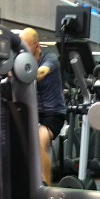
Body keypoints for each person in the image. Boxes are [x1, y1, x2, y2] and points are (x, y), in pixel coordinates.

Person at [19, 27, 66, 186]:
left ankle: (45, 187)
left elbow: (41, 72)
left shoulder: (49, 58)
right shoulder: (22, 60)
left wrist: (20, 74)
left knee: (38, 141)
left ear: (36, 46)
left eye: (25, 47)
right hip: (33, 113)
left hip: (53, 115)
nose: (22, 51)